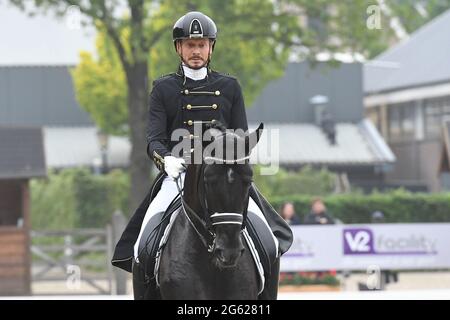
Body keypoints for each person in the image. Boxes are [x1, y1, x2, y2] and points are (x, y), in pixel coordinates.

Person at [111, 11, 292, 299]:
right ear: (179, 48)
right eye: (190, 45)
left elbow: (240, 137)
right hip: (179, 176)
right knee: (142, 244)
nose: (196, 51)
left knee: (269, 241)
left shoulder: (229, 86)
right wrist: (165, 159)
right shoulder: (163, 88)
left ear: (211, 48)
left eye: (202, 45)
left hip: (225, 177)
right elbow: (154, 139)